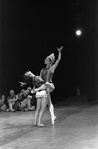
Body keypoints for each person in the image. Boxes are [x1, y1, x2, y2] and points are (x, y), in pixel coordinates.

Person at [33, 46, 63, 126]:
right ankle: (38, 122)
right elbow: (39, 80)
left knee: (42, 107)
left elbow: (58, 60)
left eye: (46, 59)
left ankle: (36, 122)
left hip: (45, 87)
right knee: (42, 108)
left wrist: (59, 52)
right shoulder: (42, 70)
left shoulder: (52, 68)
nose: (44, 60)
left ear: (50, 62)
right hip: (43, 89)